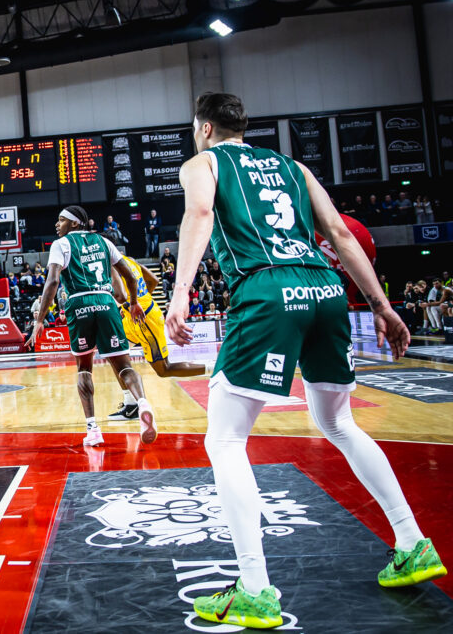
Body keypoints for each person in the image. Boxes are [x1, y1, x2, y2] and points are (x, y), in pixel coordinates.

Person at [167, 92, 444, 629]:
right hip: (325, 288)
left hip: (268, 289)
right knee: (339, 423)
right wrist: (382, 306)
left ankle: (254, 589)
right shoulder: (293, 167)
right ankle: (412, 542)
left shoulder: (204, 163)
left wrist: (180, 294)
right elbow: (339, 234)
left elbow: (199, 214)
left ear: (204, 128)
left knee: (225, 439)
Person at [26, 205, 156, 447]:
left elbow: (53, 281)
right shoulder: (104, 242)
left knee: (84, 369)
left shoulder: (61, 244)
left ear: (75, 223)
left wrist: (40, 319)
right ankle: (143, 403)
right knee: (124, 366)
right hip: (106, 302)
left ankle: (93, 429)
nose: (57, 224)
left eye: (61, 220)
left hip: (79, 303)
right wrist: (133, 303)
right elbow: (129, 275)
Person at [105, 255, 205, 421]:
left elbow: (120, 297)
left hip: (145, 319)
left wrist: (137, 305)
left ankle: (214, 368)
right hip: (135, 316)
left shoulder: (111, 263)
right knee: (114, 353)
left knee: (164, 370)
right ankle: (131, 404)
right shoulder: (129, 260)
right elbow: (153, 280)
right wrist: (141, 302)